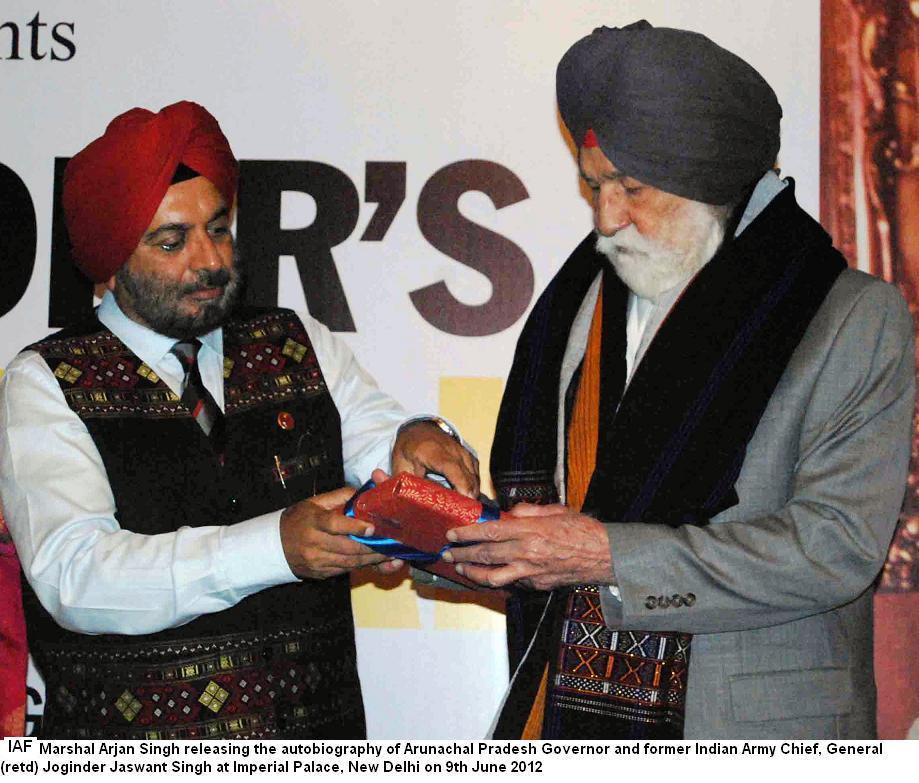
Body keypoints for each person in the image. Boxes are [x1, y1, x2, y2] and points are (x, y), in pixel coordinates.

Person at [446, 21, 915, 740]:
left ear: (711, 185)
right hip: (567, 713)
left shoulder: (848, 316)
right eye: (591, 184)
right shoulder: (574, 308)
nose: (604, 219)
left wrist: (603, 553)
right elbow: (562, 519)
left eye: (630, 187)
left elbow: (835, 548)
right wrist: (478, 544)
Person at [0, 101, 477, 740]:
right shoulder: (45, 380)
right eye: (172, 242)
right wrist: (272, 548)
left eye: (219, 228)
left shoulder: (294, 338)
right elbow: (75, 576)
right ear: (109, 267)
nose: (210, 261)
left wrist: (418, 438)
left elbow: (380, 446)